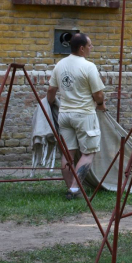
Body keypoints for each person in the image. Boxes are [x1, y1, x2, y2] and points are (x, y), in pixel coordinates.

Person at [47, 33, 106, 200]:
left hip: (64, 115)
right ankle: (74, 189)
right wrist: (101, 104)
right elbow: (98, 94)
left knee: (67, 154)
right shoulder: (88, 66)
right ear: (81, 48)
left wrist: (48, 106)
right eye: (89, 46)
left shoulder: (60, 65)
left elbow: (51, 90)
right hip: (84, 115)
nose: (91, 48)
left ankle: (70, 188)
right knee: (88, 152)